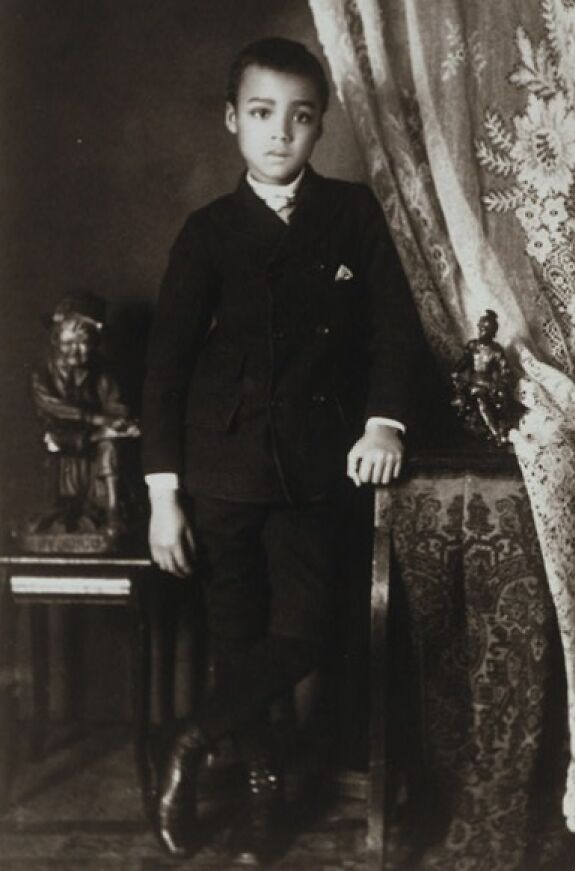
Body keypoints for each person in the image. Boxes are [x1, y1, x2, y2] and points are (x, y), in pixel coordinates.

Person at [140, 37, 421, 862]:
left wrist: (384, 422)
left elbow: (395, 335)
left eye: (300, 118)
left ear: (320, 126)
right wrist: (163, 494)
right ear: (233, 121)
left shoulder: (351, 215)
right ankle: (264, 805)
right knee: (237, 637)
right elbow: (165, 367)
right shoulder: (209, 231)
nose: (279, 134)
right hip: (220, 471)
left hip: (312, 470)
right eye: (261, 115)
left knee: (304, 631)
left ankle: (187, 741)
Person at [30, 291, 139, 537]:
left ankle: (112, 512)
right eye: (68, 343)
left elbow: (115, 401)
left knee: (110, 445)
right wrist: (97, 419)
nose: (75, 351)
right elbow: (49, 405)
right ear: (56, 340)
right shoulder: (42, 370)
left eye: (83, 343)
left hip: (93, 434)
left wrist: (118, 419)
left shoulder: (101, 370)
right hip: (57, 433)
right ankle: (60, 511)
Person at [451, 309, 513, 446]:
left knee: (502, 397)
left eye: (486, 329)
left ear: (493, 332)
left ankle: (504, 427)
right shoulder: (473, 346)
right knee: (480, 399)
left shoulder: (496, 350)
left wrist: (500, 384)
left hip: (490, 384)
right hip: (474, 383)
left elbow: (505, 371)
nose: (482, 331)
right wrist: (456, 374)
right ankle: (495, 433)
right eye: (481, 327)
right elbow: (461, 364)